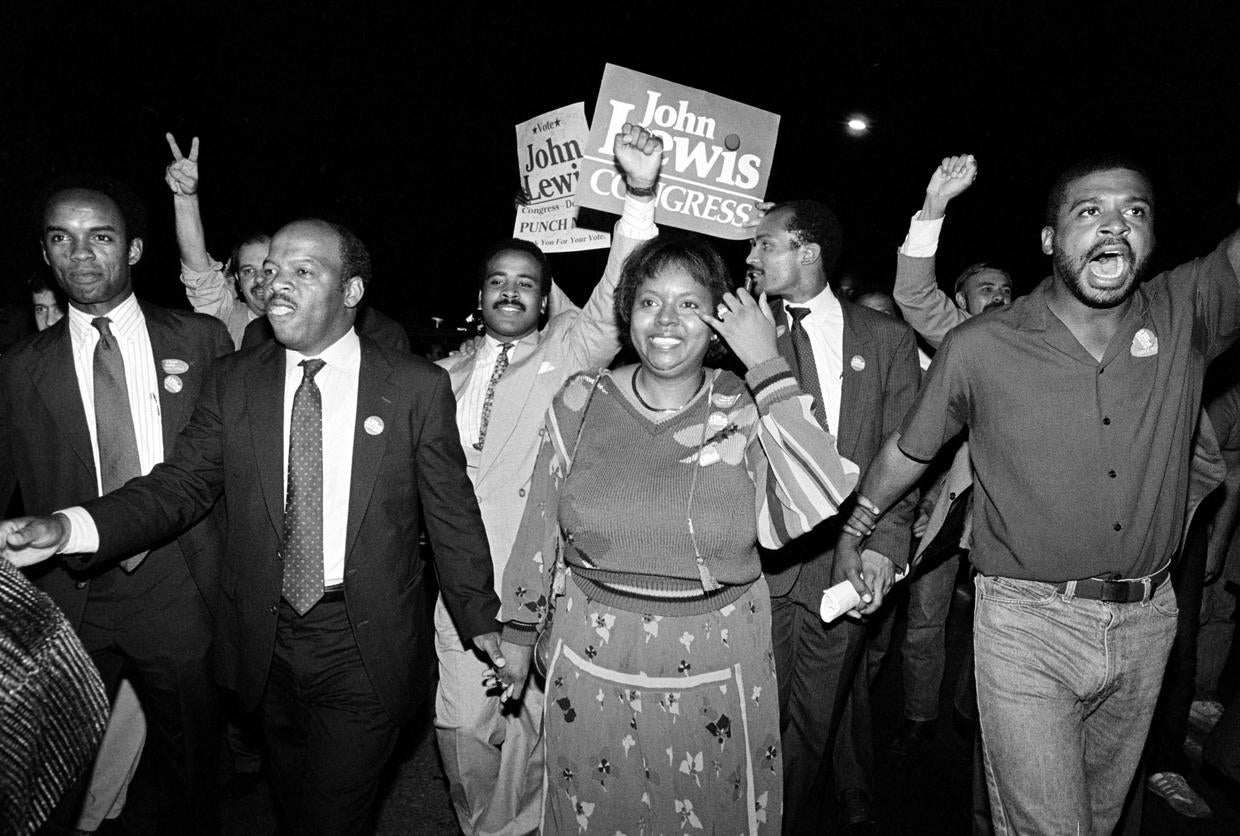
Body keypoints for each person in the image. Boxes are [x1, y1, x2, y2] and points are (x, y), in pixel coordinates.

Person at [0, 217, 507, 835]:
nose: (275, 285)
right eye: (270, 271)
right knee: (292, 804)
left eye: (302, 271)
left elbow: (451, 512)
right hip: (264, 645)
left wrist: (482, 618)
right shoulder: (236, 381)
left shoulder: (413, 386)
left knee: (330, 817)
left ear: (350, 292)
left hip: (364, 644)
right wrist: (68, 528)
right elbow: (177, 487)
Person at [833, 158, 1240, 834]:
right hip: (1026, 622)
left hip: (1148, 623)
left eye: (1134, 212)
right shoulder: (981, 345)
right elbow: (909, 450)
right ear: (1050, 241)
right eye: (1090, 212)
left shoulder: (1185, 310)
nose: (1115, 226)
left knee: (1101, 817)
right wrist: (858, 529)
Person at [498, 235, 859, 834]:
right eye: (648, 302)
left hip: (719, 658)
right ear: (627, 313)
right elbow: (540, 523)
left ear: (718, 319)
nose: (665, 320)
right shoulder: (579, 401)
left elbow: (818, 496)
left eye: (689, 304)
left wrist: (766, 363)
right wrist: (517, 634)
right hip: (592, 654)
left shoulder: (746, 406)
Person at [433, 122, 661, 836]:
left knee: (535, 718)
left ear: (543, 299)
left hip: (546, 573)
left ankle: (523, 824)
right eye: (497, 282)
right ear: (480, 295)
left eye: (526, 284)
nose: (510, 292)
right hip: (460, 580)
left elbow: (613, 298)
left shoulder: (567, 352)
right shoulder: (437, 375)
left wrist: (638, 197)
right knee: (463, 723)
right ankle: (489, 823)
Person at [0, 180, 232, 833]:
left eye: (99, 236)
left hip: (180, 588)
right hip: (68, 597)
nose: (80, 254)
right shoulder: (20, 369)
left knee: (191, 781)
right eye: (60, 239)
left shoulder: (203, 340)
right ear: (45, 253)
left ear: (131, 248)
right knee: (52, 780)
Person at [747, 200, 921, 832]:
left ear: (808, 250)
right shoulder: (734, 336)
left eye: (765, 244)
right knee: (748, 721)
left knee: (813, 729)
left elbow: (903, 454)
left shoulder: (886, 340)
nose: (752, 256)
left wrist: (886, 546)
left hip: (846, 566)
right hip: (756, 570)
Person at [165, 133, 270, 348]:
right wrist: (185, 198)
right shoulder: (226, 317)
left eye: (268, 269)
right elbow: (198, 269)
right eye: (248, 271)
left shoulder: (311, 319)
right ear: (237, 280)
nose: (259, 279)